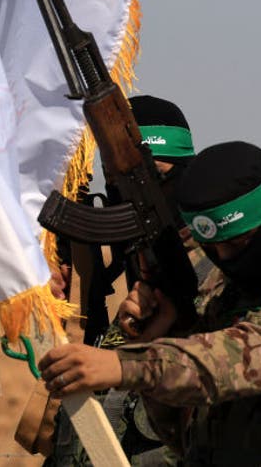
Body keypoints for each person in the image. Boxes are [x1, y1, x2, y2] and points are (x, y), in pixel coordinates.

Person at [38, 141, 261, 466]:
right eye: (213, 250)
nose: (226, 259)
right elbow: (184, 439)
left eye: (238, 243)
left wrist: (125, 365)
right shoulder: (227, 294)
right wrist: (159, 336)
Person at [46, 94, 200, 467]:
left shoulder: (220, 266)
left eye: (156, 179)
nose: (133, 201)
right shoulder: (121, 261)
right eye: (117, 185)